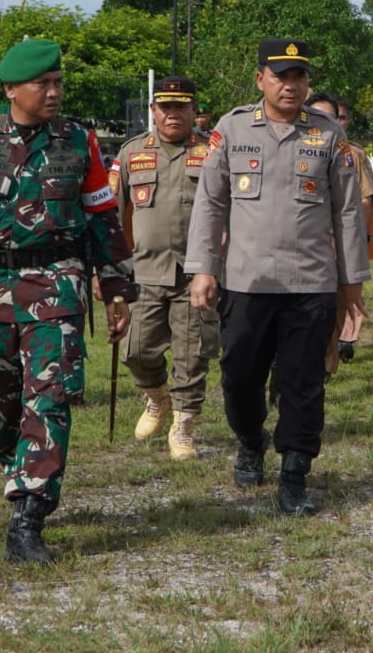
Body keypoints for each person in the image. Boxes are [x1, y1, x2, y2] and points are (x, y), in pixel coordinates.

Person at [0, 38, 135, 564]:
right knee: (5, 397)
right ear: (12, 89)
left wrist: (117, 287)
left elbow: (103, 217)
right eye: (43, 84)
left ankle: (30, 514)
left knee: (52, 394)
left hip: (58, 281)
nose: (54, 91)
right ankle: (17, 469)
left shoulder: (80, 141)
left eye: (58, 82)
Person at [185, 38, 370, 517]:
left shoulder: (329, 135)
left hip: (311, 284)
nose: (291, 85)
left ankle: (294, 475)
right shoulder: (232, 128)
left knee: (302, 383)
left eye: (299, 76)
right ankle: (250, 438)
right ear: (260, 80)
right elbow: (211, 203)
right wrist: (203, 267)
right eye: (281, 76)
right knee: (239, 379)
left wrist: (352, 285)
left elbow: (348, 213)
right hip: (247, 283)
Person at [111, 75, 218, 461]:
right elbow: (110, 212)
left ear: (194, 112)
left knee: (193, 354)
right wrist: (107, 270)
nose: (173, 114)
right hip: (145, 271)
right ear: (153, 111)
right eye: (165, 107)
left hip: (197, 273)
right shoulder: (131, 153)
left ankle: (184, 427)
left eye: (181, 107)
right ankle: (156, 398)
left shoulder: (213, 152)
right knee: (135, 350)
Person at [306, 91, 373, 369]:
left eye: (337, 117)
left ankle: (334, 354)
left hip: (338, 242)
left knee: (336, 304)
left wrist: (362, 239)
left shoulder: (353, 153)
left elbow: (364, 199)